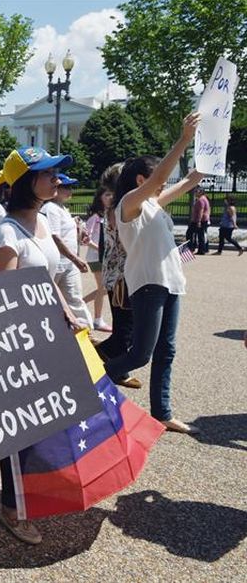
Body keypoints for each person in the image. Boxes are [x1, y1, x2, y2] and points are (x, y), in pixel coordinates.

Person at [0, 146, 82, 546]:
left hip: (48, 335)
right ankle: (11, 508)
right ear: (26, 181)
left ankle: (15, 485)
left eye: (56, 172)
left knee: (42, 422)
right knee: (21, 429)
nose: (56, 179)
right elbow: (1, 298)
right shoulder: (7, 232)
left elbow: (45, 278)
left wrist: (66, 310)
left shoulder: (42, 221)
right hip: (20, 344)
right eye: (48, 173)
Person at [105, 112, 205, 434]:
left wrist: (209, 153)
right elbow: (161, 177)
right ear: (140, 180)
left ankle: (162, 413)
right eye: (155, 177)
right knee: (140, 355)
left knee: (166, 351)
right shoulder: (128, 204)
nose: (163, 181)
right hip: (148, 284)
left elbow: (189, 181)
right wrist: (184, 139)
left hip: (171, 283)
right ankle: (90, 382)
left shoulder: (153, 204)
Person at [94, 163, 142, 391]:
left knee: (127, 327)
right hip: (121, 277)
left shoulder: (119, 207)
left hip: (122, 275)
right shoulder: (118, 209)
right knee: (126, 329)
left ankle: (115, 365)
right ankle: (105, 360)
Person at [40, 173, 93, 328]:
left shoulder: (62, 208)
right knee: (49, 301)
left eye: (71, 187)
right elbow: (55, 237)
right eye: (66, 187)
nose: (70, 190)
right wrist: (75, 258)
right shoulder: (50, 208)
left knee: (74, 299)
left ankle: (86, 332)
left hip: (68, 263)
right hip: (58, 263)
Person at [82, 186, 113, 331]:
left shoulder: (108, 215)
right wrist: (100, 249)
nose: (110, 197)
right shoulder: (95, 217)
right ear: (100, 197)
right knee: (103, 287)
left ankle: (81, 303)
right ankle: (98, 320)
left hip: (105, 257)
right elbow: (85, 239)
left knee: (104, 287)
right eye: (107, 194)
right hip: (96, 257)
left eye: (112, 194)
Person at [186, 187, 210, 254]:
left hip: (199, 220)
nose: (196, 192)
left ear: (201, 192)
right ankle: (202, 249)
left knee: (189, 233)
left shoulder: (201, 200)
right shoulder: (204, 199)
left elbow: (201, 211)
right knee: (200, 235)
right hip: (203, 219)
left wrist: (198, 221)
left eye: (197, 191)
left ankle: (191, 248)